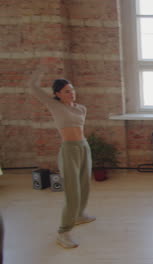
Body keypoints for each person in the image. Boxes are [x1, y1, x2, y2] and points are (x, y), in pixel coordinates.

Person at [28, 63, 96, 249]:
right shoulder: (54, 105)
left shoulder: (81, 108)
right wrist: (41, 69)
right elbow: (33, 88)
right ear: (57, 94)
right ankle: (63, 232)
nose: (71, 93)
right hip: (69, 150)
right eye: (66, 91)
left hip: (84, 147)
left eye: (72, 90)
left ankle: (80, 215)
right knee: (72, 191)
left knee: (85, 184)